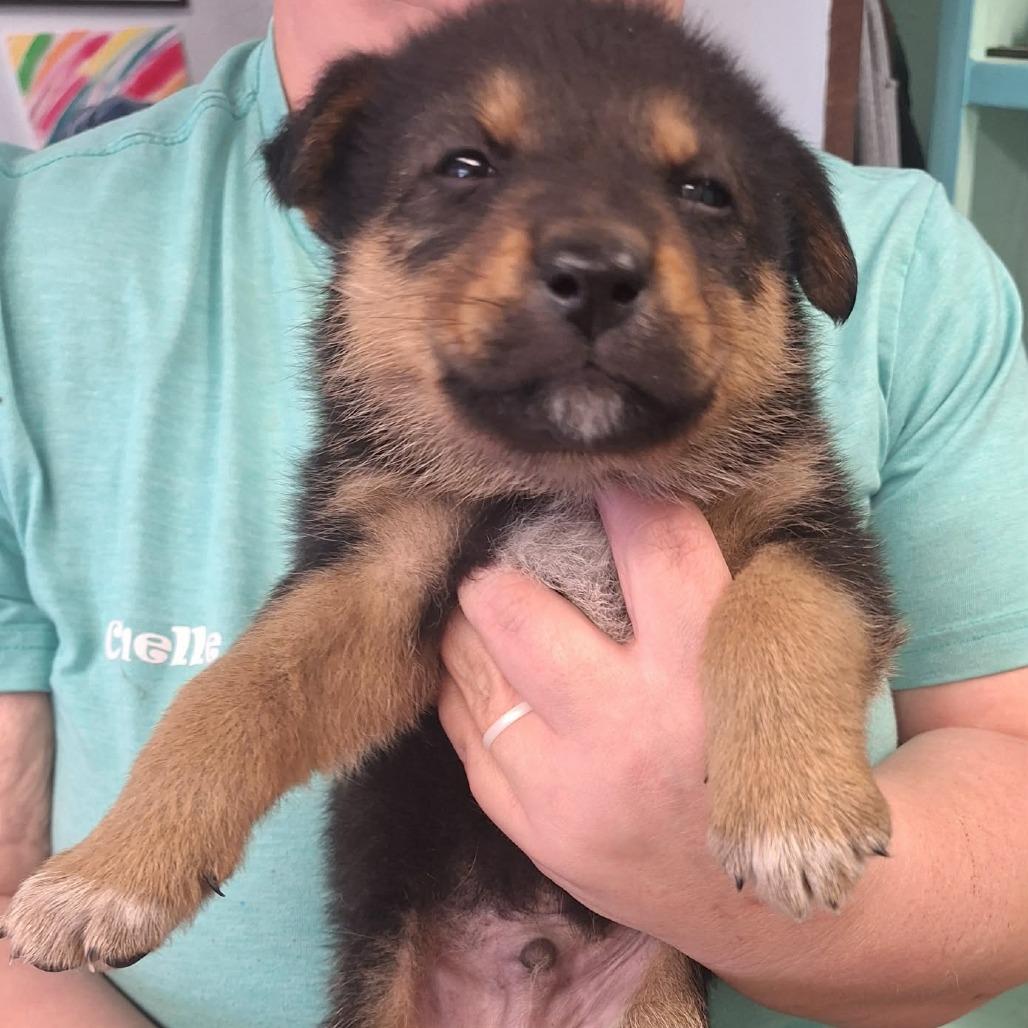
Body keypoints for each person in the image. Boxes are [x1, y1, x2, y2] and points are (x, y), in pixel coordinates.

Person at [1, 0, 1026, 1025]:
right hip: (415, 952)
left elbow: (877, 637)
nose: (595, 257)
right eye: (464, 170)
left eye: (702, 194)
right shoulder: (38, 247)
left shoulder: (917, 271)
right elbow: (330, 642)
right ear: (333, 221)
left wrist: (726, 876)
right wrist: (163, 823)